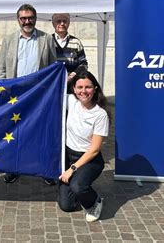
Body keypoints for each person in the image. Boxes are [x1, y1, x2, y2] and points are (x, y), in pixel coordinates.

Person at [0, 3, 57, 184]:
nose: (27, 21)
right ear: (18, 20)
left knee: (40, 132)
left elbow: (53, 67)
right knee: (14, 133)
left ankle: (43, 169)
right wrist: (5, 91)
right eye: (23, 18)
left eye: (30, 17)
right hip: (15, 96)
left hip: (39, 96)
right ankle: (13, 168)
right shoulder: (8, 40)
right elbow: (2, 69)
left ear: (35, 19)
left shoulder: (46, 39)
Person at [57, 70, 109, 222]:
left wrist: (72, 169)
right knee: (66, 206)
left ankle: (94, 201)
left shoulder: (100, 115)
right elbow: (52, 91)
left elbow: (94, 150)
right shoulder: (72, 101)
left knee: (78, 187)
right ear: (73, 89)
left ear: (95, 89)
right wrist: (65, 80)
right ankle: (77, 186)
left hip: (89, 159)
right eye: (79, 87)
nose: (83, 91)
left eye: (88, 87)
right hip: (68, 155)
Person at [51, 13, 88, 84]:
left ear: (69, 23)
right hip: (53, 83)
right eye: (58, 21)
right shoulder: (48, 41)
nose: (62, 23)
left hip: (72, 84)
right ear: (53, 23)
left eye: (65, 21)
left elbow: (83, 64)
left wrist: (72, 75)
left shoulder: (76, 42)